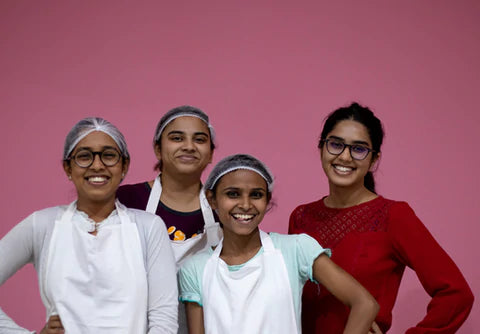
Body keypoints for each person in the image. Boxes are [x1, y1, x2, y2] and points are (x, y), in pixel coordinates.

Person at [289, 102, 474, 333]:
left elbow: (457, 294)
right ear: (321, 148)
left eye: (359, 149)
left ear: (374, 159)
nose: (345, 157)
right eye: (336, 144)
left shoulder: (393, 216)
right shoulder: (301, 217)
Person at [0, 117, 178, 333]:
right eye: (84, 156)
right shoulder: (43, 225)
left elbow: (164, 319)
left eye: (108, 156)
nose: (97, 165)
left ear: (124, 166)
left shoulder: (149, 228)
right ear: (68, 168)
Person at [178, 154, 379, 334]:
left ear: (267, 201)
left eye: (256, 195)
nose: (246, 205)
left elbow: (365, 304)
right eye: (233, 194)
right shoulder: (195, 269)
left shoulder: (296, 249)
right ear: (212, 199)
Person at [116, 105, 222, 333]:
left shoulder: (224, 208)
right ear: (158, 148)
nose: (189, 146)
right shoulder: (125, 200)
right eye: (177, 138)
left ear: (211, 153)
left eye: (200, 139)